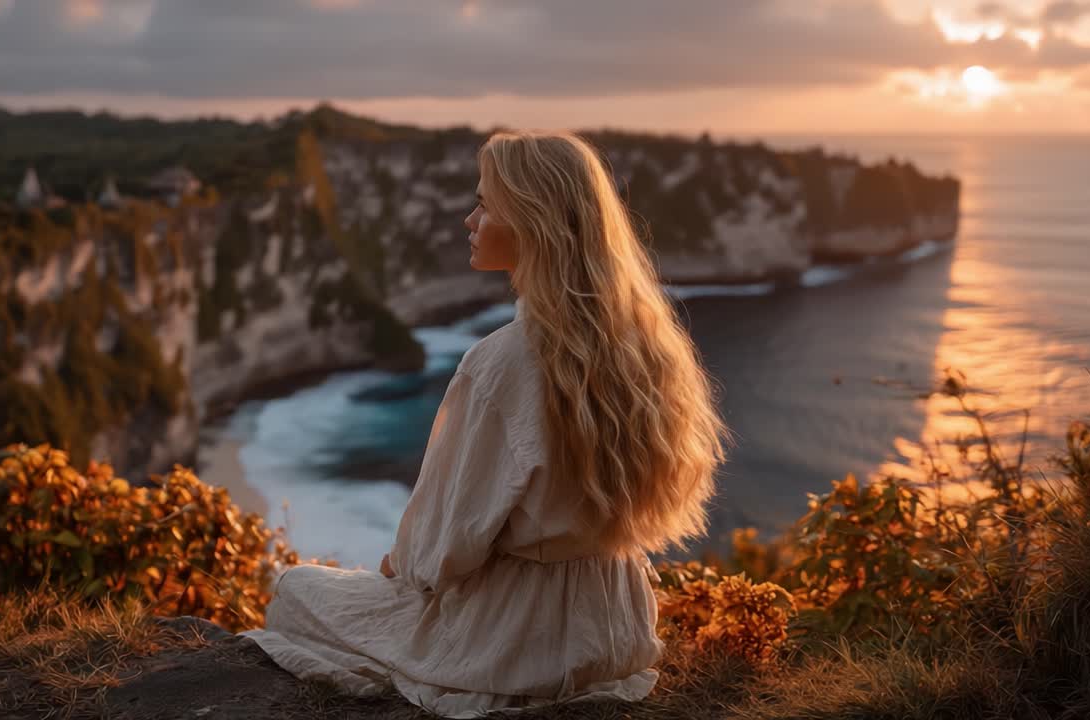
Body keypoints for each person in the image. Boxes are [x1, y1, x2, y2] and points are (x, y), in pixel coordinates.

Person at [239, 130, 730, 718]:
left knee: (295, 589)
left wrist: (404, 562)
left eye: (486, 205)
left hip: (512, 642)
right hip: (616, 629)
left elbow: (443, 554)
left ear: (532, 222)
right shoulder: (646, 347)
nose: (469, 220)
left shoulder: (501, 362)